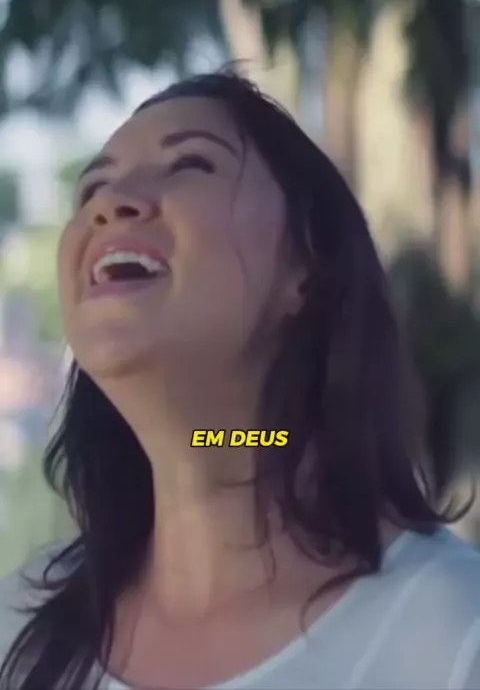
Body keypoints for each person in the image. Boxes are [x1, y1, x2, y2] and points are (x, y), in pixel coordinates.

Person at [0, 70, 479, 690]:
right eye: (93, 185)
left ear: (306, 264)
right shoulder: (18, 629)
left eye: (190, 165)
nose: (111, 203)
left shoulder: (455, 638)